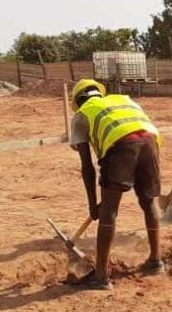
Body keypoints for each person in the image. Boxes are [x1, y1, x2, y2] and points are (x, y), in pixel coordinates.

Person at [68, 78, 163, 290]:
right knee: (149, 203)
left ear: (78, 100)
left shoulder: (82, 114)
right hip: (151, 143)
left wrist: (94, 205)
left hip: (122, 147)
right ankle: (156, 261)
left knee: (109, 210)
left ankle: (100, 276)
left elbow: (87, 166)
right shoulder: (122, 100)